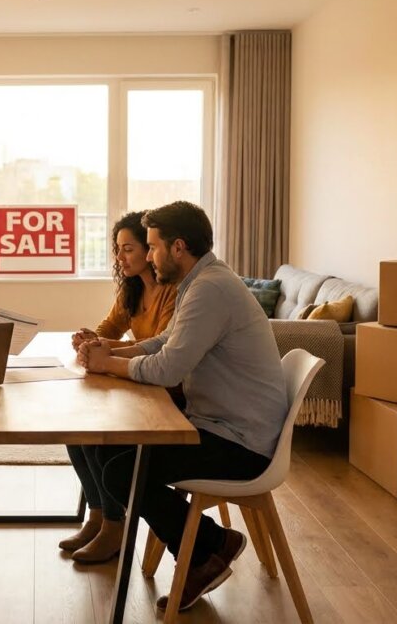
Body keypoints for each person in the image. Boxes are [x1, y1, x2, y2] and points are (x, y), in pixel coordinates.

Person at [77, 201, 286, 612]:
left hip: (241, 444)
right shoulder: (202, 280)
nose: (148, 256)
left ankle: (209, 547)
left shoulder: (209, 288)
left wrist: (111, 364)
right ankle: (201, 549)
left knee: (123, 471)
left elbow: (169, 368)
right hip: (218, 425)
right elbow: (162, 343)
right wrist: (115, 350)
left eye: (151, 247)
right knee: (109, 449)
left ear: (177, 247)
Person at [60, 211, 177, 563]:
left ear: (150, 250)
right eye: (117, 249)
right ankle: (97, 516)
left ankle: (115, 526)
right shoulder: (132, 289)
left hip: (165, 391)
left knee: (101, 440)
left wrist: (106, 352)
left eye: (128, 249)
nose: (120, 257)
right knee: (76, 433)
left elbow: (163, 345)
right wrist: (90, 338)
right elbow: (109, 327)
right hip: (141, 381)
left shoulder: (172, 292)